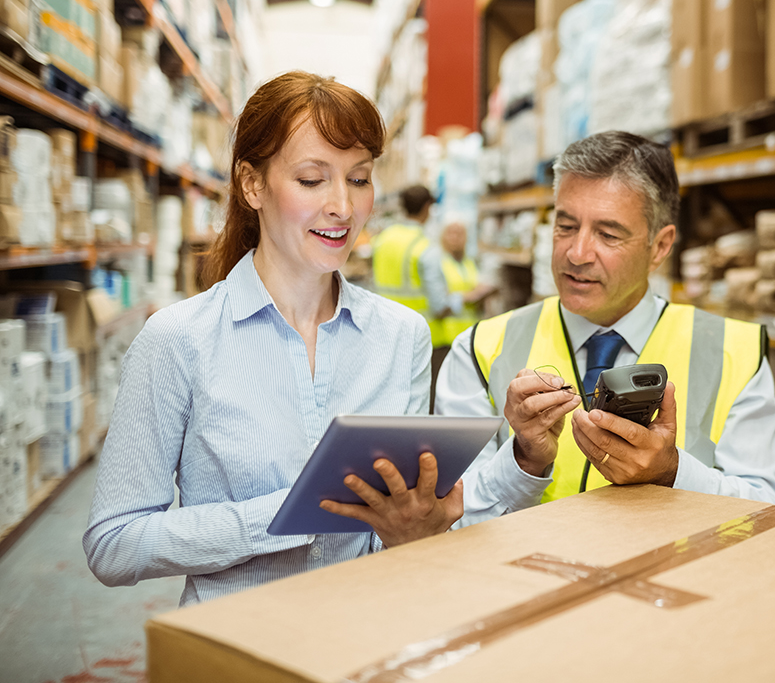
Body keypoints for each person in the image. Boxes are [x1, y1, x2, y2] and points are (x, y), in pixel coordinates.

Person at [83, 72, 463, 606]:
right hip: (235, 649)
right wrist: (292, 512)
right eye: (312, 180)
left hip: (365, 637)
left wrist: (411, 531)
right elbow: (113, 543)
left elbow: (395, 525)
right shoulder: (178, 340)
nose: (343, 207)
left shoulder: (402, 336)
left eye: (359, 179)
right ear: (252, 184)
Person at [436, 131, 775, 527]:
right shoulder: (481, 350)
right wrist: (523, 461)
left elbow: (768, 514)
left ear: (659, 246)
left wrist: (671, 474)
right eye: (565, 226)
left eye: (608, 234)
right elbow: (448, 521)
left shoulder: (733, 353)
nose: (577, 253)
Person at [371, 185, 463, 408]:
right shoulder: (424, 248)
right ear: (427, 208)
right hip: (425, 340)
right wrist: (462, 300)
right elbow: (439, 305)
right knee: (425, 406)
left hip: (385, 334)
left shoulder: (383, 240)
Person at [438, 220, 496, 346]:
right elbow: (438, 300)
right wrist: (469, 296)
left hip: (468, 336)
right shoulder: (438, 263)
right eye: (451, 233)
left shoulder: (468, 263)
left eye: (459, 234)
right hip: (445, 337)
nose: (455, 238)